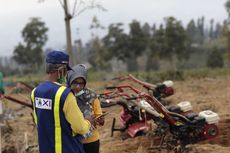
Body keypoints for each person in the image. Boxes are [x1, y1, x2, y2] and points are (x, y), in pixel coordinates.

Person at [30, 50, 91, 153]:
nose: (67, 74)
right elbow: (80, 128)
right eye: (66, 70)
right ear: (61, 70)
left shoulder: (35, 92)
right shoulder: (65, 94)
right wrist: (89, 122)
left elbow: (39, 122)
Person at [66, 64, 104, 153]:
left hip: (91, 140)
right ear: (70, 80)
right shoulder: (65, 95)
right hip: (72, 141)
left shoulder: (92, 95)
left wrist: (100, 120)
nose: (78, 87)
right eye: (75, 82)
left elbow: (99, 115)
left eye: (81, 83)